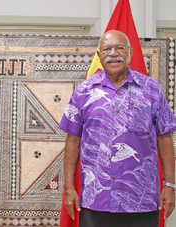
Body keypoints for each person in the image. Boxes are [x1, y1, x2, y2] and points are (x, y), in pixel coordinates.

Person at [59, 30, 176, 227]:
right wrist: (69, 187)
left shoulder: (151, 89)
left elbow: (165, 138)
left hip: (142, 199)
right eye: (107, 49)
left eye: (120, 48)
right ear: (99, 55)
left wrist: (170, 185)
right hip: (96, 200)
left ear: (130, 53)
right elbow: (73, 141)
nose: (114, 53)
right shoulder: (83, 92)